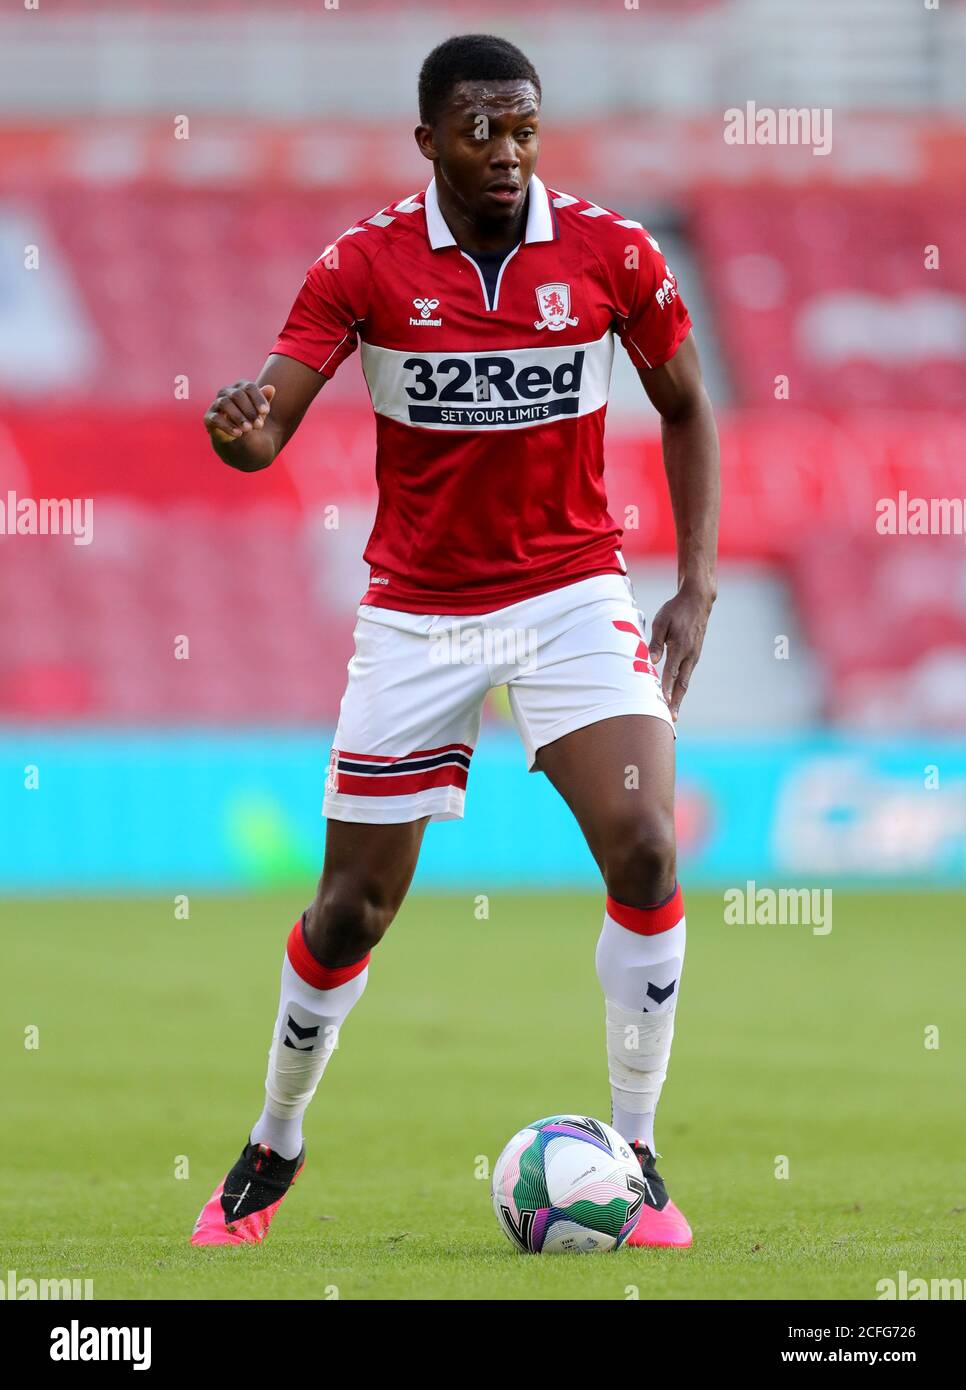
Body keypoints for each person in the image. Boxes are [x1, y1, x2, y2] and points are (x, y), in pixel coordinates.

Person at [192, 32, 719, 1250]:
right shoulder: (365, 264)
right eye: (478, 128)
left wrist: (690, 585)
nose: (505, 151)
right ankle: (275, 1138)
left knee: (645, 846)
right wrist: (240, 429)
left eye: (524, 127)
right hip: (418, 614)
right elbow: (271, 417)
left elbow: (686, 402)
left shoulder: (610, 251)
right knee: (348, 914)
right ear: (426, 138)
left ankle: (635, 1154)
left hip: (573, 593)